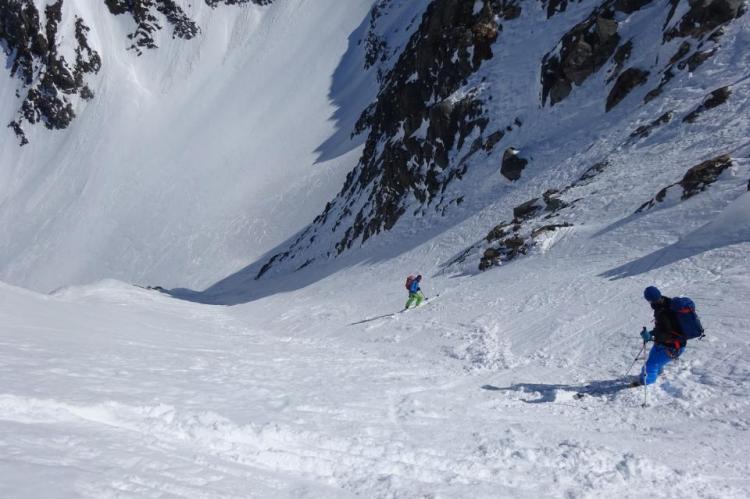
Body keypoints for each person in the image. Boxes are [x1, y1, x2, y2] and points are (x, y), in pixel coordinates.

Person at [634, 286, 687, 386]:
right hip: (666, 344)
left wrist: (651, 337)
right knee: (653, 359)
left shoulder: (665, 312)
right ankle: (657, 373)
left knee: (650, 365)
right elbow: (662, 328)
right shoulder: (665, 304)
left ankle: (645, 384)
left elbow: (669, 333)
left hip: (674, 346)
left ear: (649, 300)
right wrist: (651, 334)